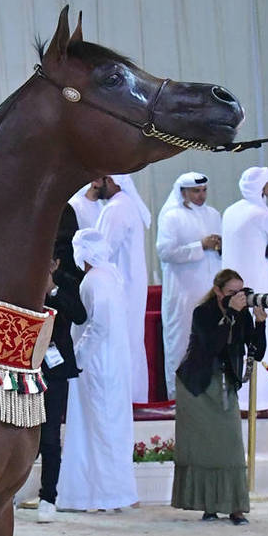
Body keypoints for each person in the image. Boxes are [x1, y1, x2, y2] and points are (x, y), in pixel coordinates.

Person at [172, 268, 267, 523]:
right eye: (231, 292)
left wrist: (260, 323)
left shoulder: (243, 315)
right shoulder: (203, 313)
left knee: (231, 447)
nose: (238, 297)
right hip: (197, 386)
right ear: (217, 292)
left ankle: (235, 507)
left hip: (225, 384)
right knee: (204, 449)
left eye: (241, 292)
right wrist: (232, 315)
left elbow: (256, 353)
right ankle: (209, 506)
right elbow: (212, 344)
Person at [56, 229, 136, 512]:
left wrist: (77, 358)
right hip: (113, 363)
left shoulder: (94, 281)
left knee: (100, 428)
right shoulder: (110, 276)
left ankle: (105, 496)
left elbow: (97, 325)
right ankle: (107, 493)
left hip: (97, 365)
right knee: (109, 428)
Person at [34, 223, 87, 523]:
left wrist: (51, 289)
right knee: (20, 432)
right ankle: (10, 492)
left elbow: (80, 315)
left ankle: (48, 496)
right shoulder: (21, 278)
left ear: (54, 262)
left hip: (54, 369)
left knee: (51, 435)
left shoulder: (66, 283)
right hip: (24, 365)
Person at [221, 167, 268, 410]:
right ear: (262, 188)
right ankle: (260, 402)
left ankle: (239, 399)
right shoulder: (262, 214)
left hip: (231, 288)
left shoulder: (230, 211)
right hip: (258, 286)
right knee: (260, 335)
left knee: (235, 337)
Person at [155, 171, 221, 398]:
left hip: (210, 288)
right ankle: (177, 396)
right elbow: (165, 251)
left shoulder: (213, 214)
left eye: (204, 191)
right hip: (182, 291)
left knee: (208, 340)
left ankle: (206, 394)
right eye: (195, 191)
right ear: (182, 192)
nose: (201, 195)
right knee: (180, 341)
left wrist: (219, 246)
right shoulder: (171, 216)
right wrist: (200, 246)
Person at [94, 173, 152, 404]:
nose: (95, 185)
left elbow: (101, 251)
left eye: (100, 180)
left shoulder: (117, 209)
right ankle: (132, 397)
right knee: (130, 342)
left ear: (112, 181)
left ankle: (123, 399)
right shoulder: (125, 205)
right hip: (129, 287)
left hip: (120, 288)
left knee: (120, 344)